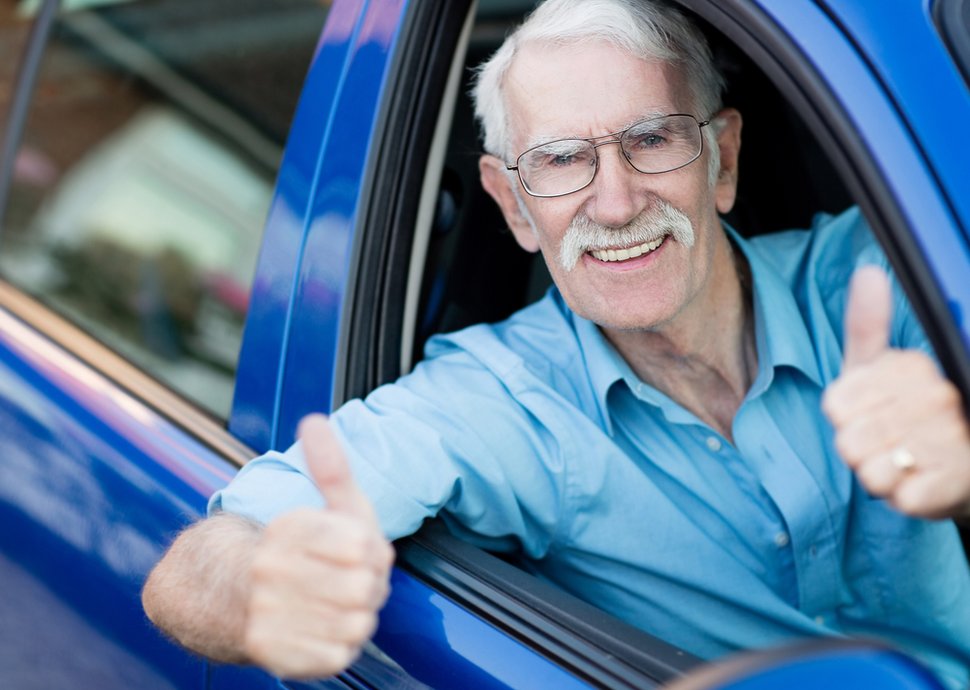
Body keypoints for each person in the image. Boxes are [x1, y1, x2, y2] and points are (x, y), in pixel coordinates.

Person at [141, 0, 970, 686]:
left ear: (722, 160)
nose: (614, 203)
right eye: (562, 159)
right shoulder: (500, 400)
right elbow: (202, 564)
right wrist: (264, 586)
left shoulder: (888, 271)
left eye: (651, 139)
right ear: (513, 205)